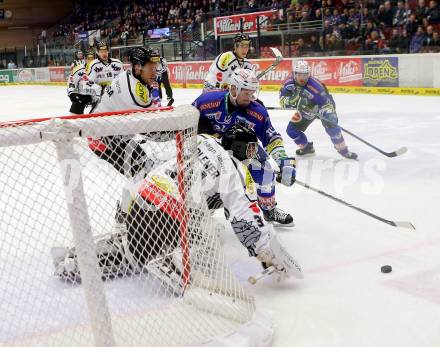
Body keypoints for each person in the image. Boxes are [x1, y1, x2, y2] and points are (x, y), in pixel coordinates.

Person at [52, 126, 303, 289]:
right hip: (170, 217)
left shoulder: (202, 139)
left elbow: (154, 163)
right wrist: (266, 255)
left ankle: (78, 259)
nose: (252, 154)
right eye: (250, 148)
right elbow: (244, 217)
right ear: (239, 147)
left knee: (134, 248)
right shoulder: (234, 170)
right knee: (202, 239)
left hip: (143, 198)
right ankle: (173, 260)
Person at [193, 68, 296, 226]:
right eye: (246, 92)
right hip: (212, 146)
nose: (250, 97)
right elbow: (188, 119)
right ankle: (204, 205)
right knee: (205, 175)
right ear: (233, 89)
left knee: (266, 171)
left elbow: (272, 138)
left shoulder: (257, 112)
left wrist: (283, 161)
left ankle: (269, 210)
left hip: (243, 147)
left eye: (252, 92)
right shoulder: (208, 101)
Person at [280, 60, 358, 159]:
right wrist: (295, 100)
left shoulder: (316, 86)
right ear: (294, 74)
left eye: (305, 75)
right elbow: (283, 101)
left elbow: (327, 103)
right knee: (291, 130)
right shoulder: (288, 83)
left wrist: (327, 116)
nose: (302, 78)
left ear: (309, 74)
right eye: (299, 74)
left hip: (322, 105)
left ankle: (343, 150)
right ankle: (306, 147)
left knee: (331, 123)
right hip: (305, 109)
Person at [67, 50, 101, 115]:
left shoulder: (101, 68)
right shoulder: (78, 69)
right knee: (74, 117)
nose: (90, 61)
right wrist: (72, 93)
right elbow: (71, 81)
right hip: (83, 96)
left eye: (92, 58)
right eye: (89, 58)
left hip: (100, 97)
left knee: (99, 118)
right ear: (85, 59)